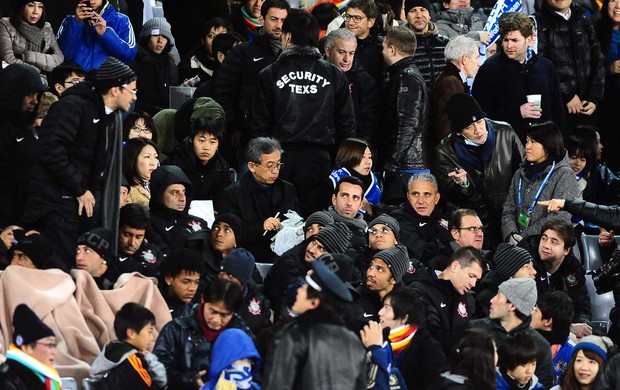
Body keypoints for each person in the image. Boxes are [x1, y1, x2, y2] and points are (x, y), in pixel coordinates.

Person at [24, 57, 136, 269]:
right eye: (131, 90)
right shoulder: (74, 106)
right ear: (115, 90)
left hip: (80, 205)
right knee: (59, 268)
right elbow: (50, 149)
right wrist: (79, 189)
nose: (134, 97)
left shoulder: (110, 117)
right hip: (58, 204)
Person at [250, 8, 355, 217]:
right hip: (321, 161)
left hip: (279, 161)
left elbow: (258, 124)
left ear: (288, 36)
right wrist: (336, 162)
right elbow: (347, 124)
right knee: (316, 222)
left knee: (279, 222)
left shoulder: (269, 74)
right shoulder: (335, 74)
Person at [434, 93, 524, 248]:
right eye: (469, 127)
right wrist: (463, 185)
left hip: (509, 215)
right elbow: (450, 196)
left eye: (480, 122)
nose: (478, 130)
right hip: (476, 222)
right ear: (458, 132)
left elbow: (524, 170)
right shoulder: (445, 151)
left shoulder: (505, 132)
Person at [263, 259, 366, 389]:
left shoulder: (294, 335)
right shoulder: (353, 341)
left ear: (314, 303)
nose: (298, 291)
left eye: (304, 288)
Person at [214, 0, 290, 169]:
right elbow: (225, 92)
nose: (279, 25)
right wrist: (234, 127)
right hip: (249, 139)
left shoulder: (293, 55)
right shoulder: (242, 52)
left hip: (285, 138)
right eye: (274, 19)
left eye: (283, 20)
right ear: (262, 19)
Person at [472, 12, 565, 142]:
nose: (509, 46)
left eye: (515, 40)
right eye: (505, 40)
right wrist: (517, 112)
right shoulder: (489, 69)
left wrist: (558, 143)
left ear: (529, 39)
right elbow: (481, 114)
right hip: (506, 146)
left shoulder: (546, 67)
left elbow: (557, 110)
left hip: (544, 144)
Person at [153, 278, 253, 390]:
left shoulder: (242, 336)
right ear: (202, 299)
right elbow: (158, 372)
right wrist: (189, 381)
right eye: (213, 311)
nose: (216, 320)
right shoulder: (176, 330)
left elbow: (254, 376)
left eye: (224, 315)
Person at [218, 137, 300, 263]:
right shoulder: (232, 193)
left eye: (278, 165)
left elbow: (297, 221)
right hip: (247, 256)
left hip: (283, 256)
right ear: (252, 166)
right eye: (270, 165)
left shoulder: (287, 189)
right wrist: (261, 226)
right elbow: (231, 234)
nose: (275, 171)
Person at [501, 121, 578, 243]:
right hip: (515, 245)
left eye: (534, 142)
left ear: (548, 145)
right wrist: (511, 234)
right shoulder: (520, 173)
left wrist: (523, 239)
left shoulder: (564, 175)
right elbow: (508, 210)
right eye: (527, 141)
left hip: (546, 248)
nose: (527, 146)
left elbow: (559, 219)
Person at [470, 278, 554, 388]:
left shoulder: (540, 346)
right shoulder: (474, 329)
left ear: (512, 306)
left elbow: (543, 385)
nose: (492, 300)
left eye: (499, 296)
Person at [535, 0, 605, 132]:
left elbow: (598, 59)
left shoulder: (584, 20)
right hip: (556, 110)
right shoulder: (536, 23)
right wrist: (567, 95)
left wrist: (594, 96)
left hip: (588, 108)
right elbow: (539, 65)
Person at [380, 26, 429, 204]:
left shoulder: (405, 78)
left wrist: (391, 163)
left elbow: (408, 124)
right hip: (407, 165)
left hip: (406, 167)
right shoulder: (406, 75)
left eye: (384, 47)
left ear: (392, 49)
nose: (382, 51)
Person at [519, 219, 592, 338]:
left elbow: (582, 307)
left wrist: (582, 325)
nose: (546, 245)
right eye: (544, 238)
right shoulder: (525, 263)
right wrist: (567, 327)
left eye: (554, 242)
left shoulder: (573, 268)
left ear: (566, 250)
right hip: (530, 332)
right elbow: (525, 312)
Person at [265, 221, 352, 313]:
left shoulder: (334, 269)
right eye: (314, 242)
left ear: (331, 257)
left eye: (321, 248)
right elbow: (297, 303)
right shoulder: (289, 265)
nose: (311, 250)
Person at [411, 247, 484, 355]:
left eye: (476, 280)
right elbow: (429, 332)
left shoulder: (469, 301)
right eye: (471, 276)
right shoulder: (421, 289)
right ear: (455, 266)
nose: (473, 284)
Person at [0, 64, 46, 228]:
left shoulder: (28, 128)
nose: (35, 100)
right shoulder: (4, 130)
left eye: (36, 95)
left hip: (28, 214)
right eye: (29, 95)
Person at [378, 287, 447, 389]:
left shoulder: (428, 349)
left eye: (387, 308)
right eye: (383, 307)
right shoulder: (378, 338)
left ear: (404, 318)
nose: (380, 312)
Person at [90, 302, 167, 389]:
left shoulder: (112, 349)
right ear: (131, 333)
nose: (152, 338)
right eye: (149, 331)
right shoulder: (131, 361)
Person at [323, 29, 380, 142]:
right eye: (341, 52)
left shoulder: (364, 81)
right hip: (320, 146)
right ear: (328, 51)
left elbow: (369, 121)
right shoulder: (313, 74)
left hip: (350, 148)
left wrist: (357, 148)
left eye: (351, 53)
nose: (346, 59)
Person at [389, 172, 452, 271]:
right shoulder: (398, 219)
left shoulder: (446, 216)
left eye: (427, 194)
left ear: (436, 198)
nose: (421, 201)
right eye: (415, 194)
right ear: (408, 196)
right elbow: (421, 253)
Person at [164, 114, 232, 203]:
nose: (206, 147)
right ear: (191, 140)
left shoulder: (221, 167)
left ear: (218, 145)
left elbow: (224, 199)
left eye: (212, 142)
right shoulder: (175, 162)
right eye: (201, 140)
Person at [56, 0, 137, 71]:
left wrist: (106, 34)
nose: (91, 1)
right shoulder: (69, 21)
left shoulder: (122, 20)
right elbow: (63, 56)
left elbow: (128, 56)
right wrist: (76, 23)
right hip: (78, 81)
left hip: (108, 81)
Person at [429, 35, 480, 147]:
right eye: (477, 58)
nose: (479, 63)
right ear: (465, 59)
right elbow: (444, 126)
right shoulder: (450, 83)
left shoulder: (451, 80)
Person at [147, 165, 207, 253]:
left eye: (184, 192)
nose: (182, 198)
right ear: (159, 194)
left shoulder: (200, 222)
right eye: (175, 193)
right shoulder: (148, 224)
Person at [0, 304, 62, 389]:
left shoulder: (45, 378)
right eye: (49, 345)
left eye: (54, 345)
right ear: (27, 348)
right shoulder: (6, 380)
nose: (54, 352)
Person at [0, 0, 64, 82]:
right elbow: (8, 59)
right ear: (21, 7)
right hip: (13, 77)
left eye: (40, 7)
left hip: (42, 79)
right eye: (31, 5)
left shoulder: (46, 28)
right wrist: (35, 72)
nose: (36, 12)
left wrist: (27, 56)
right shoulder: (6, 24)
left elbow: (58, 59)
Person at [130, 17, 179, 116]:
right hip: (141, 117)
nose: (160, 40)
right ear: (146, 38)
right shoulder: (135, 64)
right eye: (155, 35)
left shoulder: (171, 65)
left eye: (164, 37)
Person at [474, 243, 537, 318]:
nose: (534, 272)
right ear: (509, 273)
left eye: (532, 266)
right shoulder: (486, 300)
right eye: (526, 267)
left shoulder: (526, 293)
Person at [218, 248, 271, 335]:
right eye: (222, 272)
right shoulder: (208, 294)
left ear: (242, 281)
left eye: (230, 276)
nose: (223, 278)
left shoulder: (260, 303)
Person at [531, 291, 576, 387]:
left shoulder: (572, 354)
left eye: (536, 310)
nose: (532, 311)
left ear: (548, 321)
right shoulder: (523, 341)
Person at [329, 138, 381, 218]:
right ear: (350, 157)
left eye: (370, 157)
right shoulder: (334, 180)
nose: (368, 162)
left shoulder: (374, 183)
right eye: (363, 157)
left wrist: (370, 210)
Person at [404, 0, 448, 91]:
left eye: (423, 10)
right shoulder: (400, 44)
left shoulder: (445, 43)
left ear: (429, 15)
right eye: (413, 11)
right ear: (406, 17)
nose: (419, 15)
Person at [343, 0, 385, 85]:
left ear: (370, 22)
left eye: (357, 18)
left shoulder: (382, 47)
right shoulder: (336, 43)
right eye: (348, 16)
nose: (350, 23)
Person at [178, 17, 231, 85]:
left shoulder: (235, 65)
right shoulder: (188, 67)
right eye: (211, 36)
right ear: (203, 40)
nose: (216, 41)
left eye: (222, 36)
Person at [114, 203, 162, 277]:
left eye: (138, 237)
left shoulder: (153, 250)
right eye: (127, 235)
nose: (132, 243)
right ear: (117, 229)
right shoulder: (107, 252)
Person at [158, 248, 205, 318]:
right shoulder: (155, 303)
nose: (192, 288)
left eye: (196, 282)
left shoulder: (201, 305)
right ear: (168, 279)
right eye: (186, 282)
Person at [327, 176, 368, 254]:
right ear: (334, 199)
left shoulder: (368, 233)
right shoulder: (320, 225)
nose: (349, 203)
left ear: (360, 205)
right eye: (344, 196)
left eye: (355, 198)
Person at [122, 137, 159, 206]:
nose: (153, 163)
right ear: (132, 160)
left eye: (156, 157)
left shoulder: (161, 185)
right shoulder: (126, 191)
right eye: (147, 157)